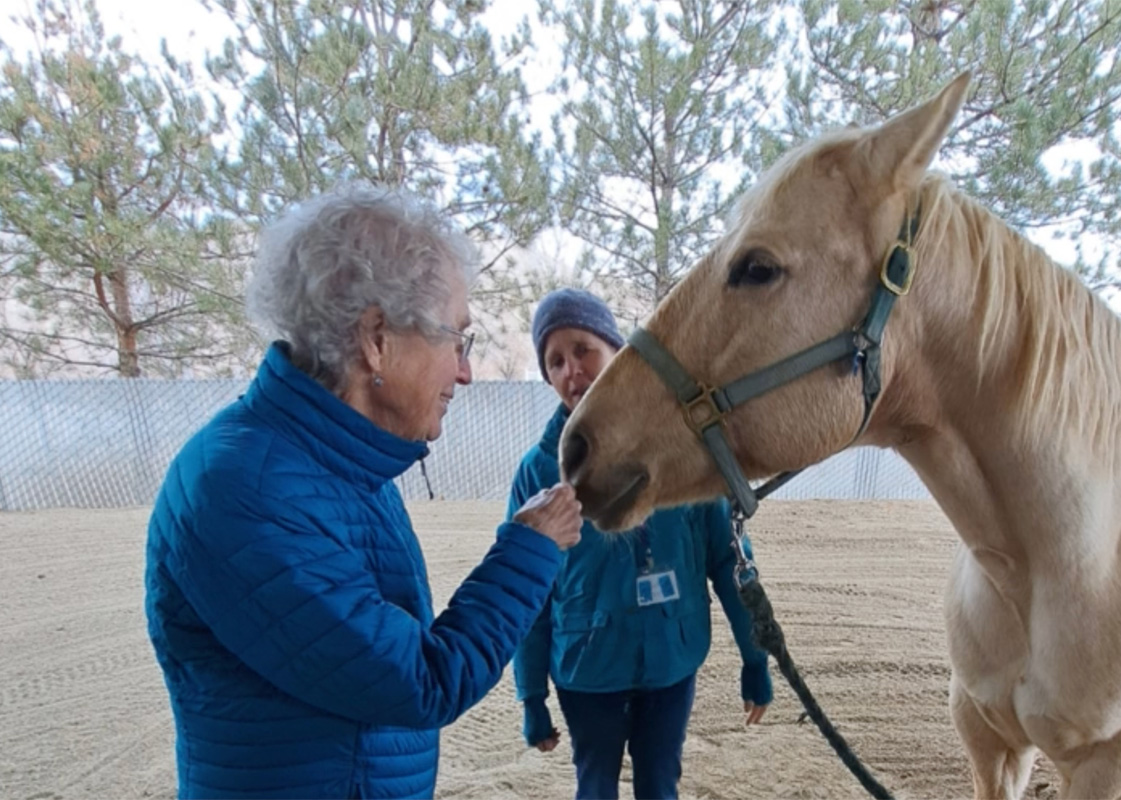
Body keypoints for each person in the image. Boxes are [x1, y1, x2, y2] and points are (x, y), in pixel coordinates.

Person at [143, 185, 582, 800]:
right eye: (457, 340)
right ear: (376, 338)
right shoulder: (245, 490)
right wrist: (530, 548)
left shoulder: (340, 465)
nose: (465, 371)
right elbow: (422, 680)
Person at [507, 287, 773, 800]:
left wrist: (755, 658)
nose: (571, 371)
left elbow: (729, 560)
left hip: (670, 666)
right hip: (586, 671)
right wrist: (531, 695)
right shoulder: (539, 472)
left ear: (617, 352)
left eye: (583, 349)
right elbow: (529, 590)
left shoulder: (683, 451)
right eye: (555, 361)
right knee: (596, 788)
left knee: (659, 786)